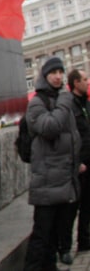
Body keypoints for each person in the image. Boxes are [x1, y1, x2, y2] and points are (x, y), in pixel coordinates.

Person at [24, 57, 81, 271]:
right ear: (44, 76)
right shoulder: (38, 102)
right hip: (47, 181)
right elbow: (50, 128)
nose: (58, 76)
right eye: (53, 72)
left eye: (60, 72)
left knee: (54, 236)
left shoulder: (59, 99)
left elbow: (72, 136)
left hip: (65, 179)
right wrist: (65, 103)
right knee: (41, 236)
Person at [59, 69, 90, 259]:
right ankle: (64, 248)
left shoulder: (86, 103)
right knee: (71, 208)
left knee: (87, 205)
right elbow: (68, 137)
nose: (88, 82)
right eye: (85, 79)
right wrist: (76, 162)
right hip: (77, 165)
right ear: (75, 83)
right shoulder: (68, 106)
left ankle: (84, 241)